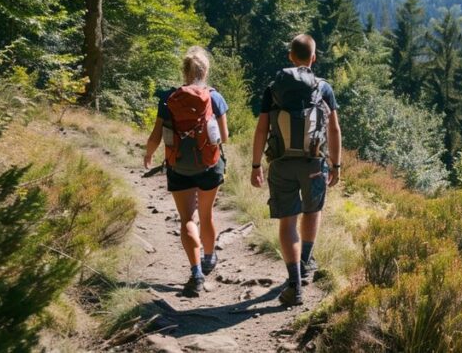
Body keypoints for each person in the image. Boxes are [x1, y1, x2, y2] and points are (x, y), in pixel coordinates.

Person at [251, 34, 341, 306]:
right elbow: (334, 129)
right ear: (313, 58)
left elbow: (262, 129)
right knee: (313, 211)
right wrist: (336, 164)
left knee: (288, 222)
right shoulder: (323, 88)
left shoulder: (273, 88)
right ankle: (306, 261)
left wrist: (256, 165)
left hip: (280, 164)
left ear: (291, 56)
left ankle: (294, 285)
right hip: (314, 162)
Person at [143, 46, 230, 297]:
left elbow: (156, 135)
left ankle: (196, 274)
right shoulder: (215, 97)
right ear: (206, 71)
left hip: (178, 165)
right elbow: (224, 136)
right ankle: (209, 258)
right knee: (206, 214)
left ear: (183, 71)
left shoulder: (169, 98)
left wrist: (149, 153)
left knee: (187, 219)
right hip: (209, 165)